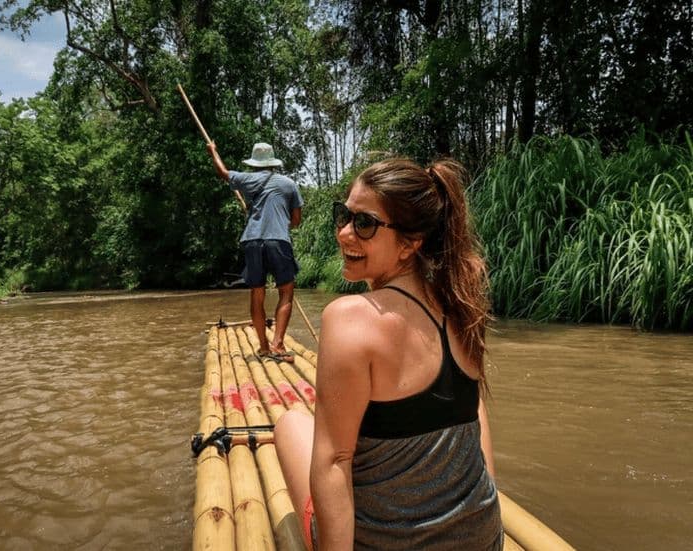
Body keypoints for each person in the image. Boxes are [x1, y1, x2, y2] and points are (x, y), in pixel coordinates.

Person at [274, 157, 502, 550]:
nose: (344, 233)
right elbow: (474, 410)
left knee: (290, 422)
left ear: (410, 244)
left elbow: (333, 462)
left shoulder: (348, 318)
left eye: (365, 224)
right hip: (482, 539)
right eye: (344, 216)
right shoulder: (462, 302)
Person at [207, 141, 304, 363]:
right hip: (278, 240)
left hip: (252, 240)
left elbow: (223, 172)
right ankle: (278, 345)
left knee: (257, 293)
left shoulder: (247, 180)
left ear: (255, 163)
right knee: (286, 292)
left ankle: (263, 347)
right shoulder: (289, 184)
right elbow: (296, 220)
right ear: (273, 163)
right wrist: (280, 223)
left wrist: (213, 150)